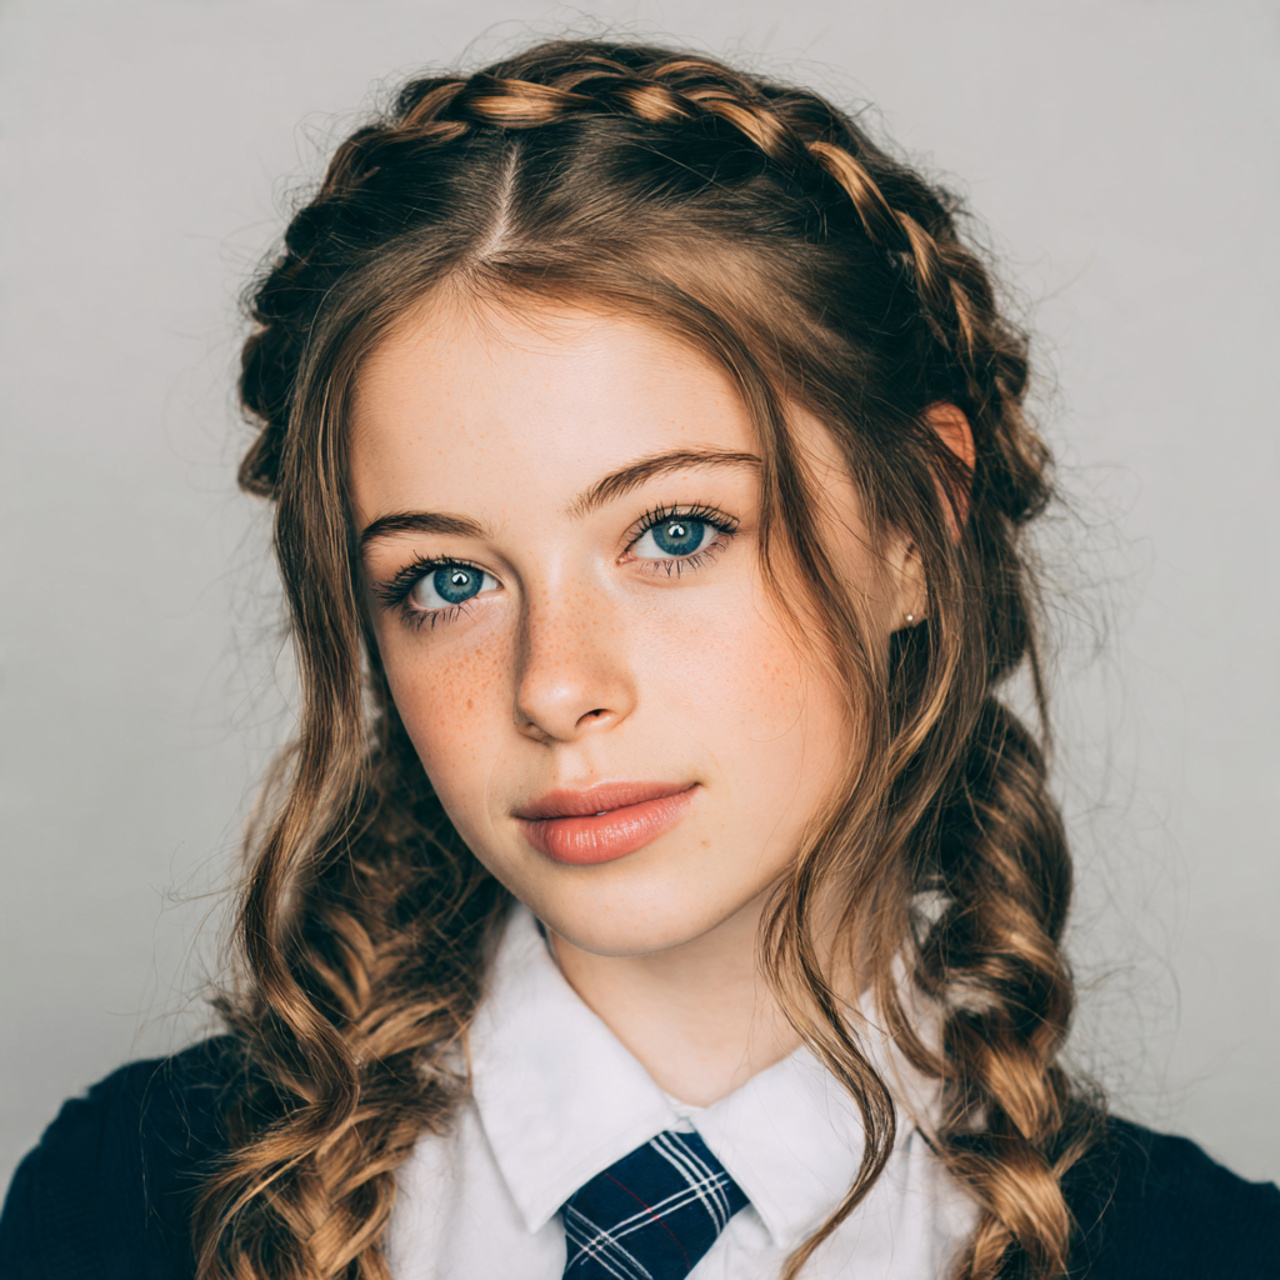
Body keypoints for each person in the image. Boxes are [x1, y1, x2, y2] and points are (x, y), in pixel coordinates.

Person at [1, 37, 1276, 1280]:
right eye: (447, 580)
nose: (553, 686)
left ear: (914, 521)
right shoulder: (130, 1200)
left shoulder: (1210, 1254)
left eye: (674, 532)